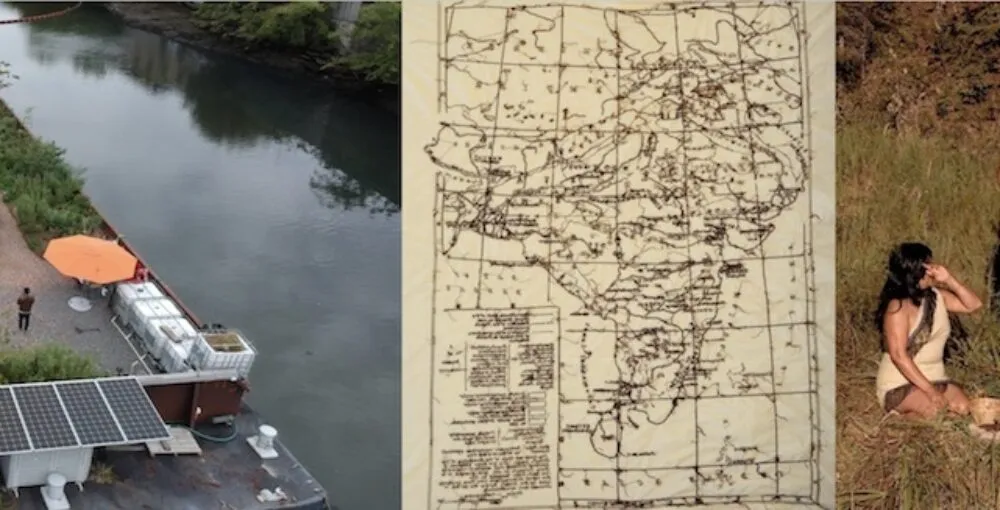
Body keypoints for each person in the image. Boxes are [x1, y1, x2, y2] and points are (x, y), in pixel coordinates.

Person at [875, 242, 984, 418]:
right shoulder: (898, 307)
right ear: (916, 271)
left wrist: (949, 279)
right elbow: (898, 356)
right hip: (899, 383)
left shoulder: (936, 296)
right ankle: (903, 416)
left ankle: (915, 413)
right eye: (928, 265)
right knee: (939, 415)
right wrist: (931, 393)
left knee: (964, 410)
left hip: (936, 377)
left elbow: (974, 305)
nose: (933, 269)